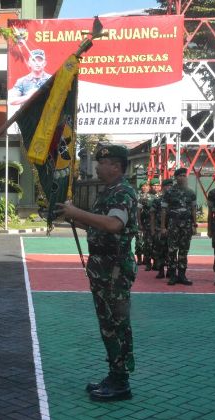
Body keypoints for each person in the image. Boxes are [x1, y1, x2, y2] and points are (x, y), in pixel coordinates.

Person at [55, 144, 137, 402]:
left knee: (117, 324)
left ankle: (121, 381)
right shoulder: (109, 192)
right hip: (102, 269)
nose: (97, 167)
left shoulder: (122, 192)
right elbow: (97, 226)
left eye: (102, 163)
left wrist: (76, 212)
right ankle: (114, 373)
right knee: (107, 325)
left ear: (115, 166)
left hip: (114, 270)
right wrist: (68, 217)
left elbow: (113, 225)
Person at [161, 168, 197, 285]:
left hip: (186, 225)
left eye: (184, 175)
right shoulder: (169, 192)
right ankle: (172, 276)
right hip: (173, 225)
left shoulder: (191, 193)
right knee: (172, 251)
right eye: (180, 175)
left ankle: (182, 276)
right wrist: (163, 227)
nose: (182, 177)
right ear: (175, 178)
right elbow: (164, 210)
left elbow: (193, 210)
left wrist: (194, 224)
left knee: (184, 251)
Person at [149, 179, 173, 279]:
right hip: (159, 228)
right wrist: (153, 230)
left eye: (171, 186)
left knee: (171, 250)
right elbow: (152, 215)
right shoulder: (157, 200)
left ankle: (170, 271)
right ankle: (161, 271)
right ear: (163, 187)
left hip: (172, 228)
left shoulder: (174, 200)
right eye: (167, 186)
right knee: (160, 250)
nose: (169, 188)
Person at [136, 181, 152, 269]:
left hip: (148, 222)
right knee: (139, 241)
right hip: (139, 222)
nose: (145, 188)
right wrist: (139, 223)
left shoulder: (152, 196)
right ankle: (139, 258)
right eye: (143, 186)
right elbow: (137, 210)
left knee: (147, 241)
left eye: (146, 186)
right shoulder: (137, 196)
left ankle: (146, 258)